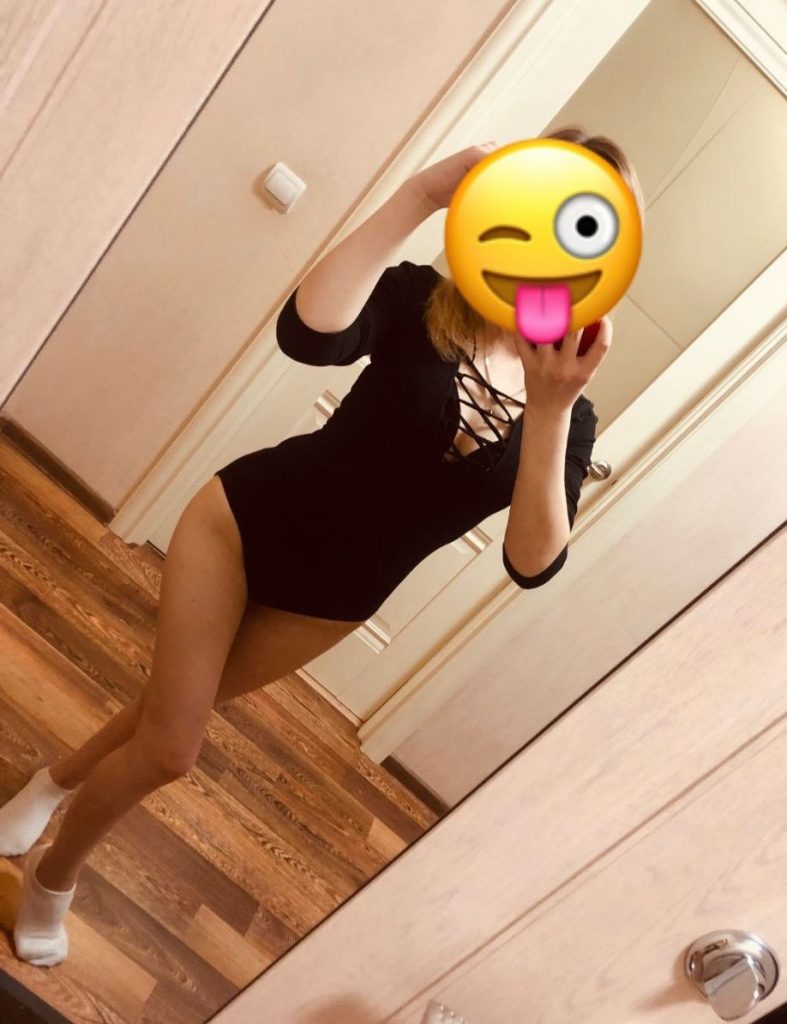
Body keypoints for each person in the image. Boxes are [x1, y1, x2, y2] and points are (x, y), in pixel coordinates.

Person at [1, 125, 644, 966]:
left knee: (169, 707)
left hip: (330, 603)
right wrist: (421, 195)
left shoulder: (570, 410)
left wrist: (550, 406)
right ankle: (52, 881)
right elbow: (309, 334)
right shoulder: (421, 300)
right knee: (171, 748)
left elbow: (532, 562)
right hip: (243, 524)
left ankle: (51, 785)